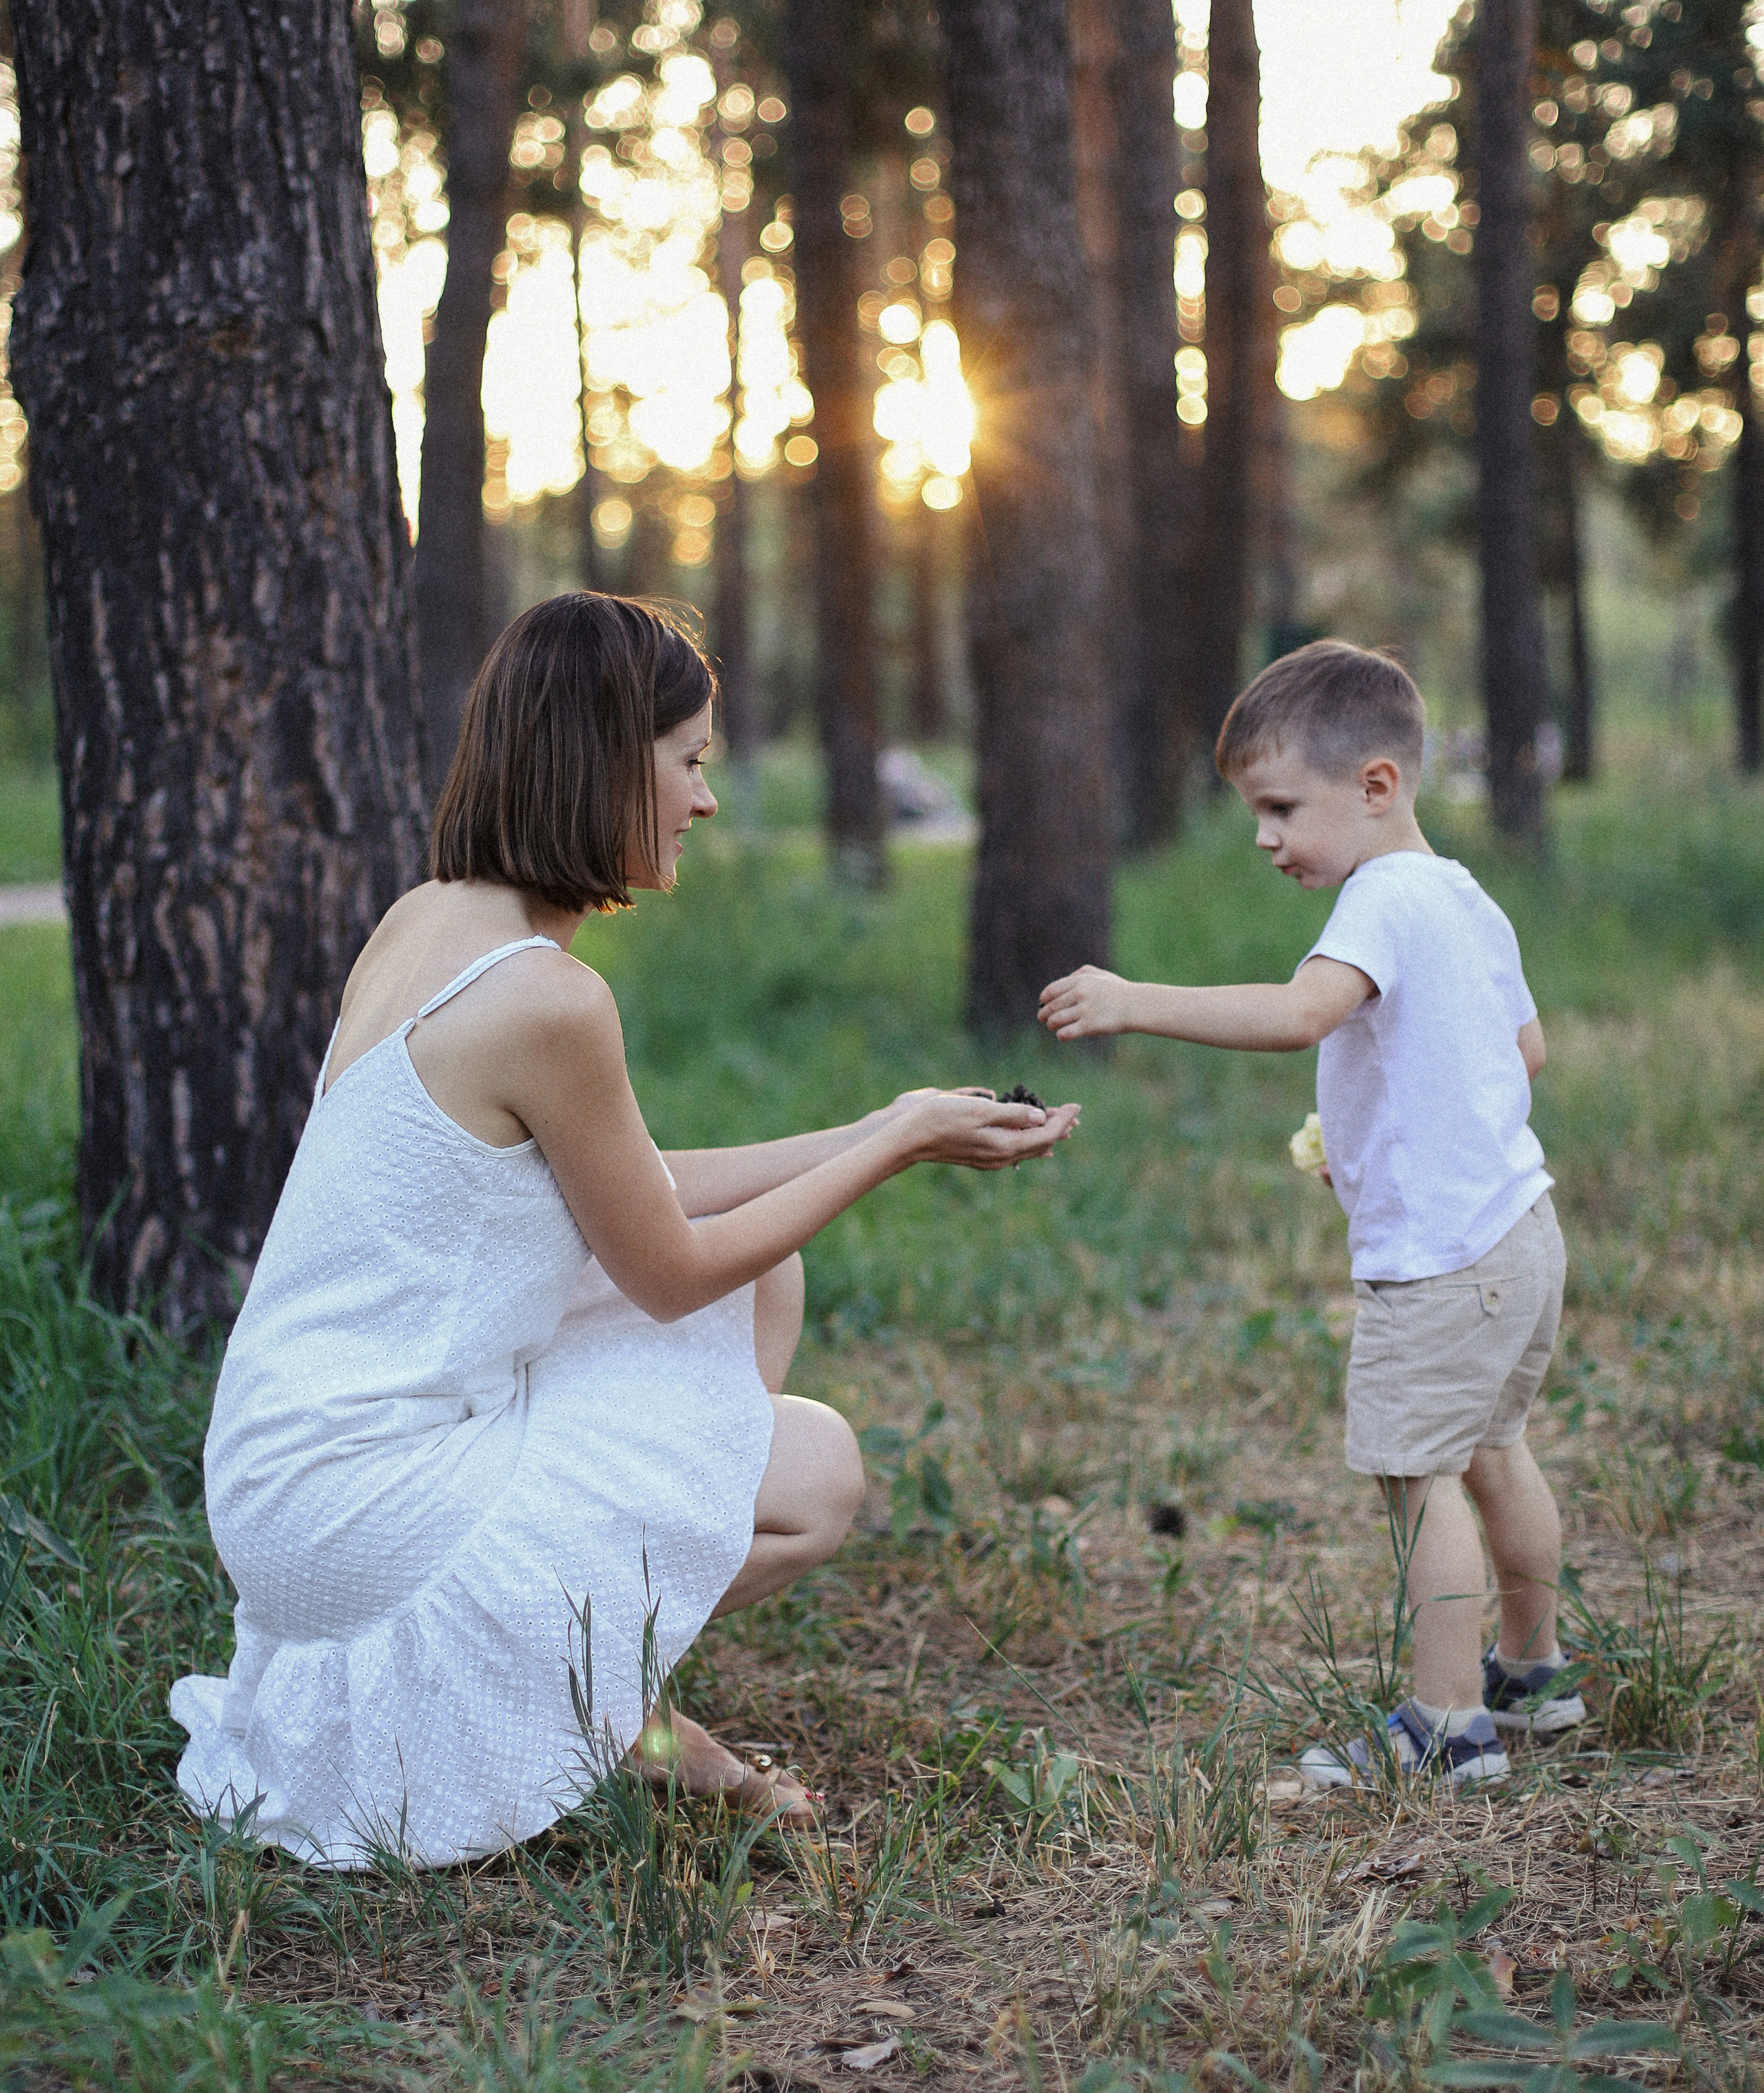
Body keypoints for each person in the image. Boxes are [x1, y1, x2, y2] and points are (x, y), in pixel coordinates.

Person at [173, 593, 1076, 1866]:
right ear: (606, 760)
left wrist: (889, 1116)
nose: (704, 800)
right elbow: (668, 1269)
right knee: (814, 1475)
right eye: (690, 761)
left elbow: (637, 1182)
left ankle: (590, 1678)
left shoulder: (430, 916)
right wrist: (895, 1148)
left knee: (767, 1283)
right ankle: (601, 1706)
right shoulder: (546, 1000)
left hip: (277, 1465)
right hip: (352, 1498)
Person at [1038, 640, 1583, 1789]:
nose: (1265, 836)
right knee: (1496, 1449)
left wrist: (1136, 1000)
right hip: (1521, 1234)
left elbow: (1301, 1015)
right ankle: (1533, 1676)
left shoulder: (1379, 897)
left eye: (1282, 807)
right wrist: (1400, 1128)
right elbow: (1523, 1052)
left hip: (1441, 1260)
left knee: (1421, 1476)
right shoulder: (1466, 897)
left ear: (1376, 786)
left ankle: (1446, 1728)